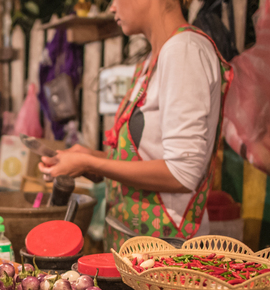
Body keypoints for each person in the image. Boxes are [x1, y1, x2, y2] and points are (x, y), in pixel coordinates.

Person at [38, 0, 232, 251]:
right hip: (137, 247)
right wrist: (88, 157)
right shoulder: (152, 60)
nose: (112, 8)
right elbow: (146, 157)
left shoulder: (184, 50)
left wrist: (91, 163)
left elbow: (182, 174)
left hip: (170, 252)